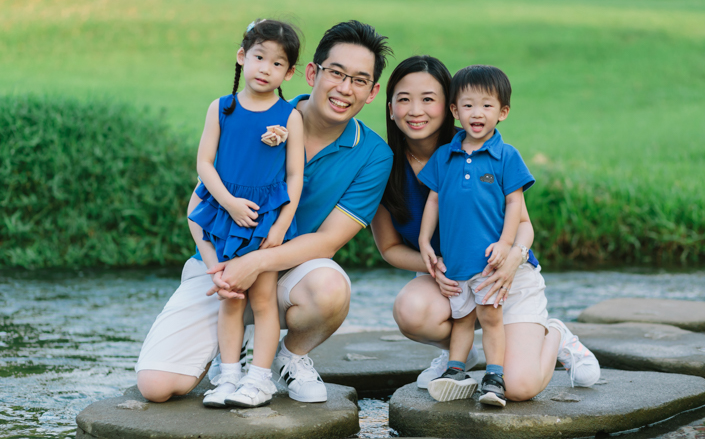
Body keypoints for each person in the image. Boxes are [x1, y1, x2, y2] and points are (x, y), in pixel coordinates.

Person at [135, 20, 394, 405]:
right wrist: (220, 267)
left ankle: (291, 357)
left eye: (359, 80)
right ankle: (230, 358)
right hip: (219, 266)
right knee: (156, 385)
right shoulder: (254, 112)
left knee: (330, 288)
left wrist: (256, 262)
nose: (344, 88)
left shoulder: (373, 154)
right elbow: (199, 203)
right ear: (311, 73)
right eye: (336, 73)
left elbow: (327, 240)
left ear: (372, 92)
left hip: (288, 275)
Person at [370, 55, 600, 405]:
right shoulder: (383, 169)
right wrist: (433, 265)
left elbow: (522, 223)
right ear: (390, 108)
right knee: (412, 309)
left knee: (520, 388)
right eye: (404, 99)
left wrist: (512, 258)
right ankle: (460, 359)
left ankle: (554, 333)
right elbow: (388, 248)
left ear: (447, 108)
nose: (415, 110)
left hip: (501, 272)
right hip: (453, 276)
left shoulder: (484, 150)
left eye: (428, 99)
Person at [186, 19, 305, 408]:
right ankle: (229, 377)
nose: (265, 69)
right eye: (258, 58)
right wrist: (229, 203)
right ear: (242, 57)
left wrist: (281, 229)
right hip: (226, 211)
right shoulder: (222, 107)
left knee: (263, 299)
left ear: (288, 72)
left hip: (265, 219)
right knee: (231, 299)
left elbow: (294, 177)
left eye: (276, 64)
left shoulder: (290, 117)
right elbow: (205, 163)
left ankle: (259, 379)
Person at [417, 65, 533, 407]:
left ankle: (494, 376)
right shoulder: (444, 156)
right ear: (455, 110)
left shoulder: (506, 156)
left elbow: (515, 203)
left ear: (503, 112)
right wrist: (425, 240)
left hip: (488, 261)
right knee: (461, 318)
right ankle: (455, 369)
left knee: (490, 316)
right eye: (467, 106)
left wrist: (506, 243)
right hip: (456, 260)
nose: (476, 113)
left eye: (486, 105)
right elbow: (433, 200)